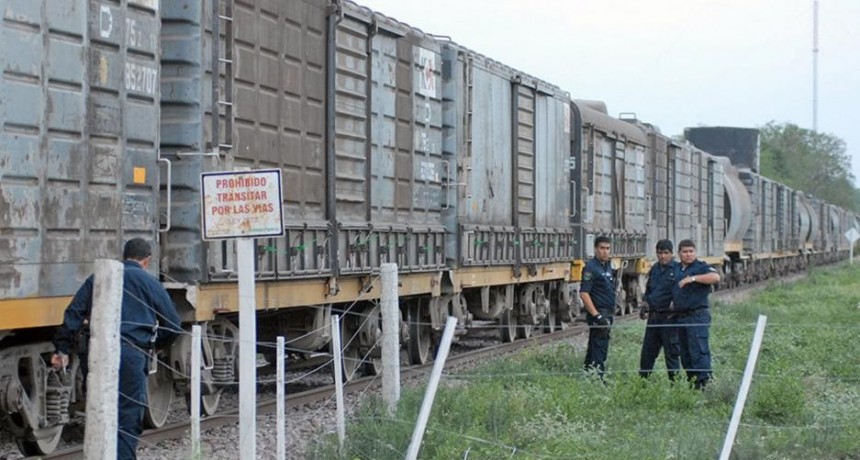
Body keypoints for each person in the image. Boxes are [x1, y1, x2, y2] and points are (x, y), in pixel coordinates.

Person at [51, 238, 181, 459]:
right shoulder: (150, 283)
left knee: (100, 412)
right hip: (133, 354)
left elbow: (73, 313)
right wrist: (155, 346)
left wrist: (61, 348)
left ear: (125, 255)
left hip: (97, 353)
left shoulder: (98, 278)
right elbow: (174, 325)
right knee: (128, 416)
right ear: (147, 260)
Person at [671, 239, 720, 389]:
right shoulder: (677, 269)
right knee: (685, 354)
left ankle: (704, 384)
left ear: (695, 252)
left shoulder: (701, 267)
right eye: (685, 252)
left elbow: (715, 277)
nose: (688, 254)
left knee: (698, 350)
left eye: (691, 251)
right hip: (681, 317)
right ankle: (692, 384)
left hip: (697, 316)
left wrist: (693, 279)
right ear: (679, 253)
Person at [639, 239, 681, 380]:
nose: (662, 256)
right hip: (654, 318)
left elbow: (683, 293)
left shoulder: (678, 269)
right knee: (647, 355)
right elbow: (649, 290)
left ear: (671, 253)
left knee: (672, 355)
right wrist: (645, 304)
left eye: (666, 253)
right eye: (660, 253)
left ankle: (676, 387)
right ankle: (642, 386)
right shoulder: (655, 269)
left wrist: (676, 304)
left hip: (669, 319)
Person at [580, 236, 615, 378]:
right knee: (599, 347)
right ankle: (598, 379)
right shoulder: (591, 268)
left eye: (607, 248)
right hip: (599, 314)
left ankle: (587, 375)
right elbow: (584, 293)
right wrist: (597, 315)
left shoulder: (608, 266)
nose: (605, 252)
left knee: (595, 346)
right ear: (595, 249)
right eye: (602, 248)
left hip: (608, 312)